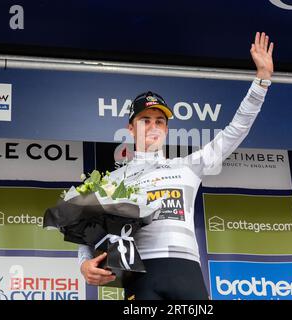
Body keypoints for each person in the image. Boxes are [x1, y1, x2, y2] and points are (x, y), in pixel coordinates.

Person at [78, 31, 274, 300]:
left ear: (167, 129)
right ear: (131, 129)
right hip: (141, 279)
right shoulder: (114, 181)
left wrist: (261, 81)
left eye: (160, 121)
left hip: (187, 274)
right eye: (145, 120)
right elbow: (86, 231)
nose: (153, 126)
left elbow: (235, 130)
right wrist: (84, 264)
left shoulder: (188, 166)